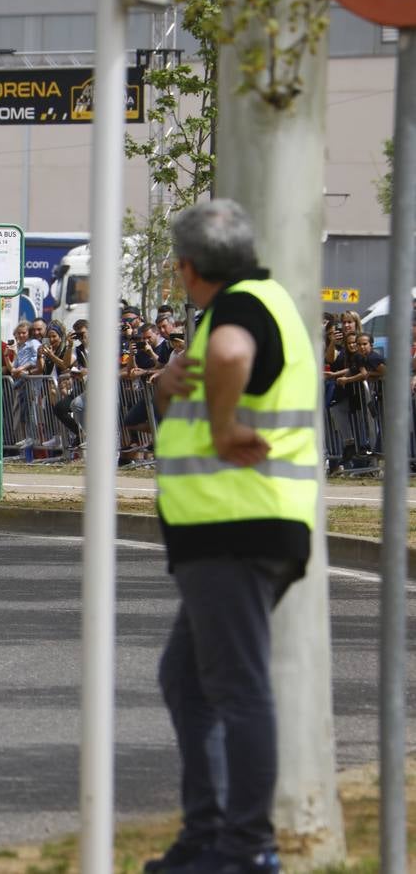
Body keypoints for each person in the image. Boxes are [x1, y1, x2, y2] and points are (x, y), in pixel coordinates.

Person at [148, 199, 315, 874]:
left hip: (235, 526)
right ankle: (208, 838)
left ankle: (245, 850)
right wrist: (164, 387)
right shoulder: (254, 299)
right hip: (236, 527)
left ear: (188, 268)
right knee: (188, 680)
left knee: (234, 688)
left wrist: (220, 430)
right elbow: (212, 368)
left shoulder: (239, 310)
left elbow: (229, 352)